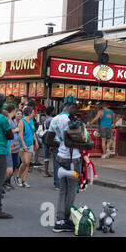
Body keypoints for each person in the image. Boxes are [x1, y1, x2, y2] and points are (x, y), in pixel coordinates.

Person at [46, 96, 92, 232]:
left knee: (63, 190)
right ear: (71, 106)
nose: (76, 111)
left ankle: (60, 220)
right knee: (71, 190)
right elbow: (69, 142)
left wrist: (59, 144)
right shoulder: (70, 121)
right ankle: (65, 220)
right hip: (73, 159)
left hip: (60, 157)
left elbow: (49, 140)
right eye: (75, 108)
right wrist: (87, 145)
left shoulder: (55, 119)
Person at [16, 106, 39, 188]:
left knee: (27, 163)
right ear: (29, 113)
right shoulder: (22, 122)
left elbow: (33, 132)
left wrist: (36, 141)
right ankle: (18, 177)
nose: (34, 114)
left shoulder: (31, 121)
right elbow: (20, 135)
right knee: (25, 162)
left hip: (30, 144)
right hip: (23, 144)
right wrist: (24, 145)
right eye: (33, 112)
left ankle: (24, 180)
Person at [2, 104, 17, 192]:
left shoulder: (8, 122)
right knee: (8, 170)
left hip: (8, 148)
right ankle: (0, 184)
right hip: (4, 150)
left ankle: (1, 184)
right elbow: (10, 135)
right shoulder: (6, 124)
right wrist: (15, 130)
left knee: (9, 169)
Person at [42, 106, 55, 177]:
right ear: (51, 112)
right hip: (49, 137)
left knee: (46, 153)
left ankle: (45, 171)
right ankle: (47, 171)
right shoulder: (52, 119)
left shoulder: (44, 119)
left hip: (44, 136)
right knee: (50, 152)